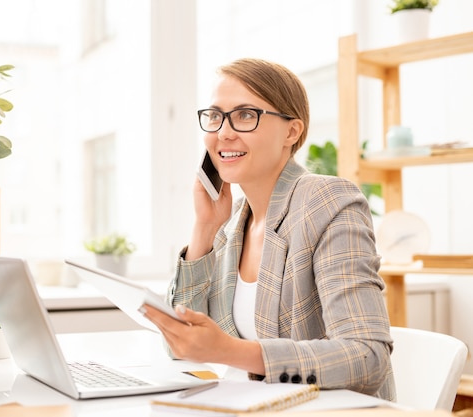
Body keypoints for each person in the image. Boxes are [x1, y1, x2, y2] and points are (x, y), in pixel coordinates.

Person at [140, 58, 395, 400]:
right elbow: (183, 348)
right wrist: (203, 227)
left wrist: (230, 351)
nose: (223, 132)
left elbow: (367, 357)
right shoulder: (231, 225)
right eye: (215, 116)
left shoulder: (328, 201)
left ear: (292, 131)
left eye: (245, 115)